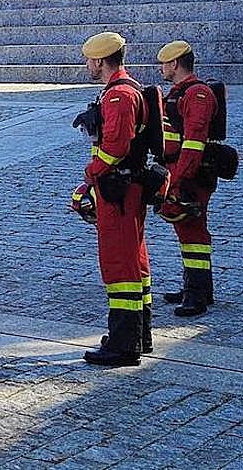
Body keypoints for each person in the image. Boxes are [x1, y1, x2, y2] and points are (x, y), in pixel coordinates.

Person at [77, 32, 153, 367]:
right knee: (135, 262)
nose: (88, 66)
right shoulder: (127, 89)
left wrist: (90, 174)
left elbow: (117, 147)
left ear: (99, 60)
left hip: (118, 192)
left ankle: (124, 344)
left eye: (89, 60)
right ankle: (139, 334)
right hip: (126, 189)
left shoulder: (118, 96)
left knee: (119, 265)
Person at [156, 40, 219, 317]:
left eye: (164, 63)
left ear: (175, 64)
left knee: (194, 232)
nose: (161, 68)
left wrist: (178, 181)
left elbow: (193, 144)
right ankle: (197, 287)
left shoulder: (197, 94)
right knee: (187, 231)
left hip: (191, 175)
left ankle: (197, 295)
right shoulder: (180, 92)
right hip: (178, 170)